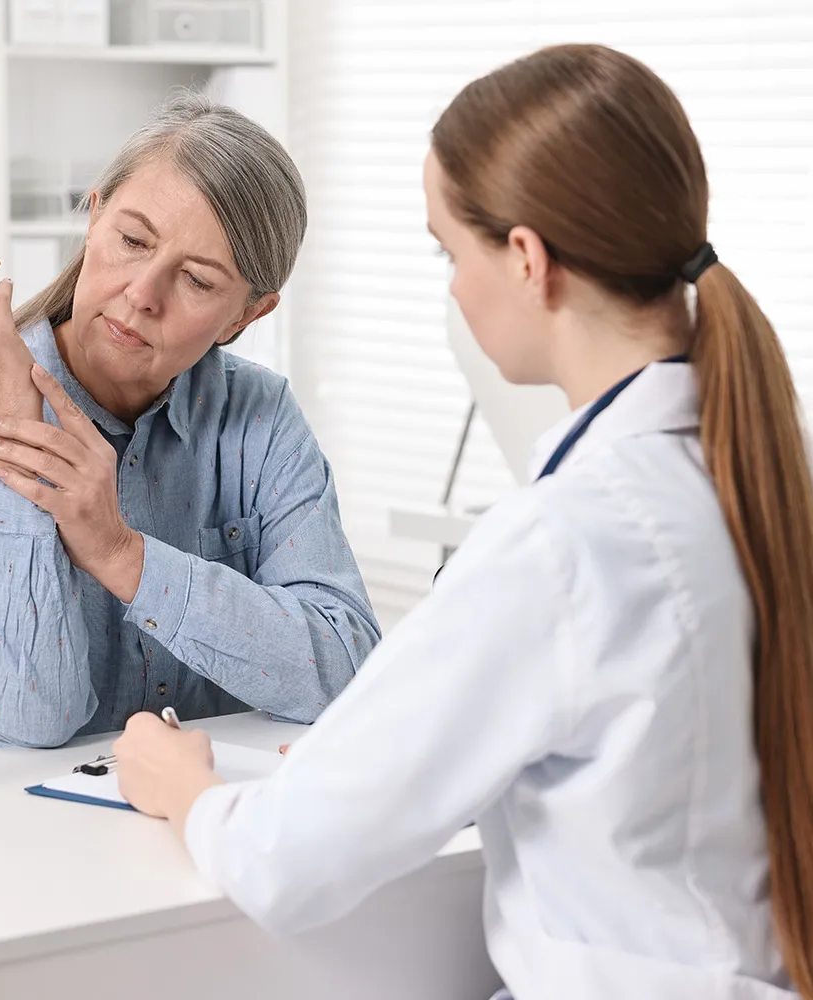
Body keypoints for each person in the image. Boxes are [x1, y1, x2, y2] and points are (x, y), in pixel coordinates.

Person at [112, 45, 813, 1000]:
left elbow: (285, 860)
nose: (449, 287)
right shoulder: (753, 474)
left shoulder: (563, 541)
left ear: (526, 259)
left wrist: (183, 783)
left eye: (451, 250)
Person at [0, 93, 380, 763]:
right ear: (94, 217)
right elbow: (27, 714)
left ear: (246, 317)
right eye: (132, 241)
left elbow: (347, 664)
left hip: (160, 824)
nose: (144, 292)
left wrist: (120, 553)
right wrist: (13, 424)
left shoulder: (259, 419)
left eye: (197, 280)